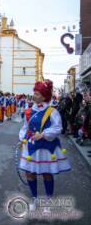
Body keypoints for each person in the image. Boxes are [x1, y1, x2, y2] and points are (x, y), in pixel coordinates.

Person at [19, 80, 71, 212]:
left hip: (47, 148)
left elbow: (58, 127)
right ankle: (35, 199)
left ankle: (48, 202)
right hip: (31, 148)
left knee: (47, 174)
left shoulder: (52, 111)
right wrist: (22, 138)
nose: (34, 95)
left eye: (37, 93)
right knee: (30, 173)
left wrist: (43, 135)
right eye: (34, 93)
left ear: (44, 96)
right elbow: (25, 128)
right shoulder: (29, 111)